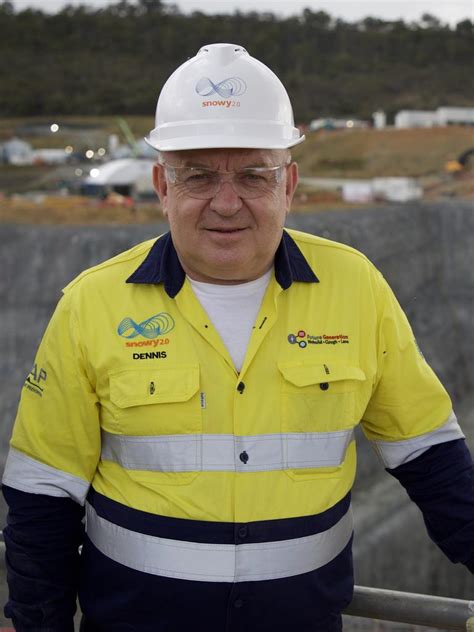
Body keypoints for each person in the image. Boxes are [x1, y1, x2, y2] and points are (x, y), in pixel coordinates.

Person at [2, 43, 473, 632]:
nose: (227, 203)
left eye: (254, 174)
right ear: (162, 186)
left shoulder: (356, 289)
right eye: (197, 175)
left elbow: (429, 454)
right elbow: (44, 491)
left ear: (290, 183)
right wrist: (35, 621)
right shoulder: (91, 304)